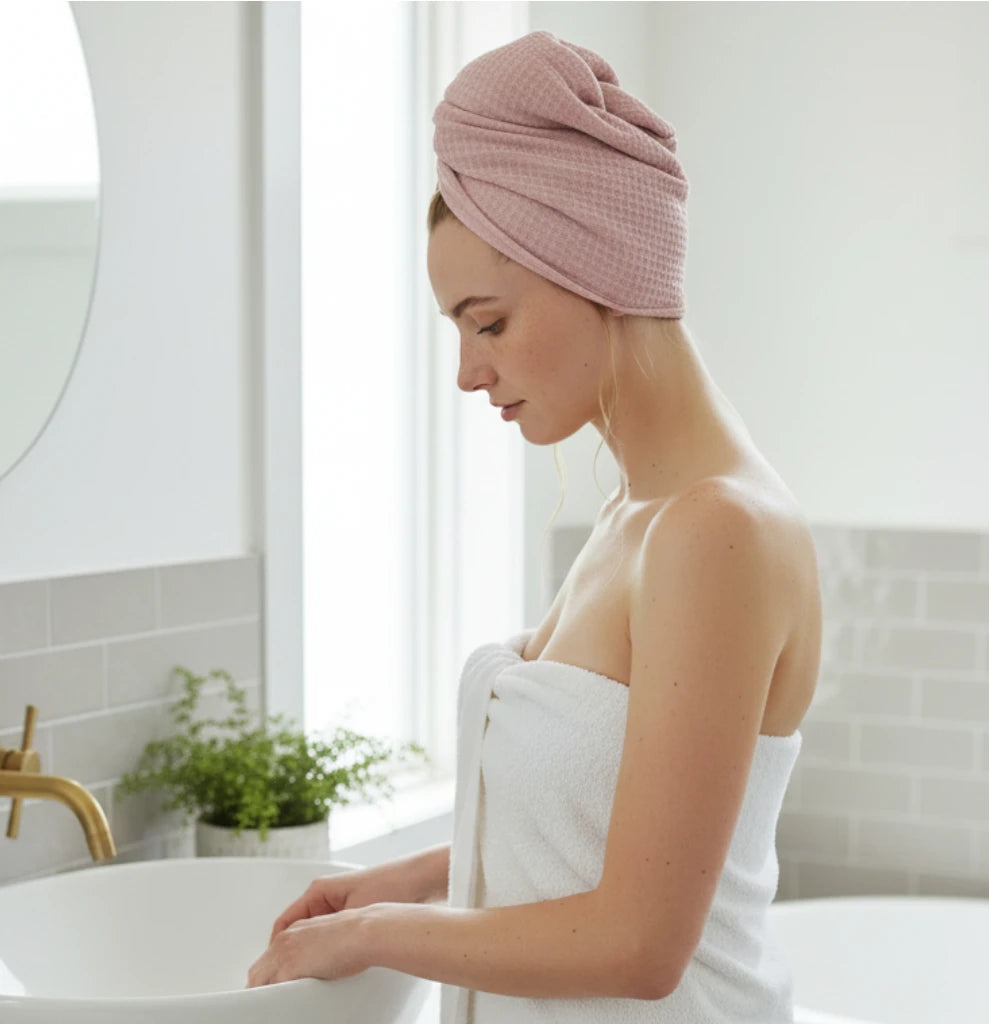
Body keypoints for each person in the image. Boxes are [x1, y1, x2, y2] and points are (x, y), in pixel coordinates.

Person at [247, 30, 822, 1023]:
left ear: (591, 265)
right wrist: (410, 876)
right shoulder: (630, 515)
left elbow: (640, 942)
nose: (469, 371)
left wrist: (371, 933)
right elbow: (600, 827)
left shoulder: (714, 531)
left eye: (489, 321)